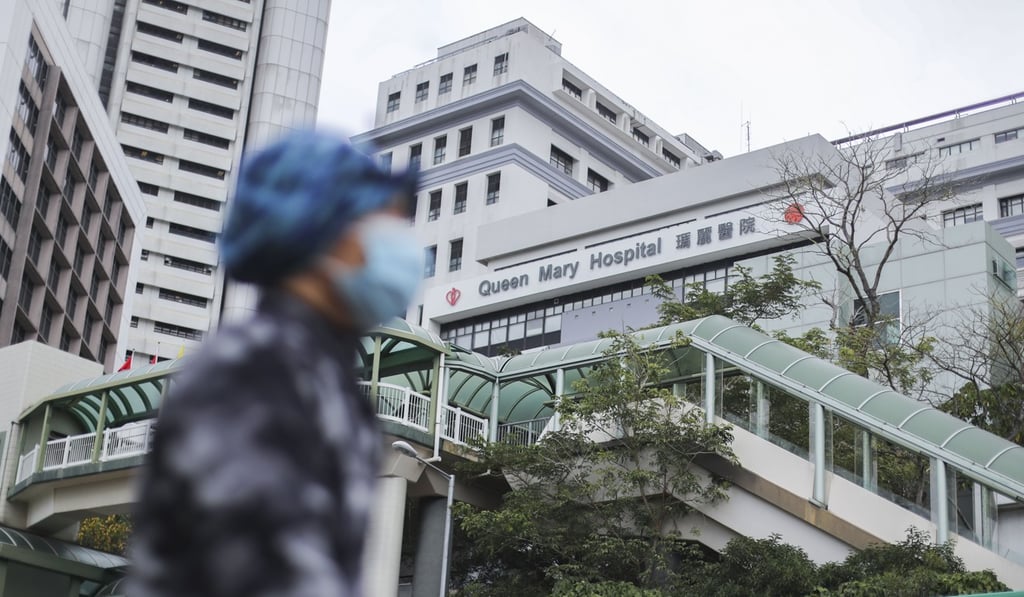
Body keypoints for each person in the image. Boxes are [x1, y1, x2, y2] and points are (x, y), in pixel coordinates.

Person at [128, 130, 421, 597]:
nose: (404, 245)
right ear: (323, 230)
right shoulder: (252, 370)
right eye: (382, 224)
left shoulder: (320, 374)